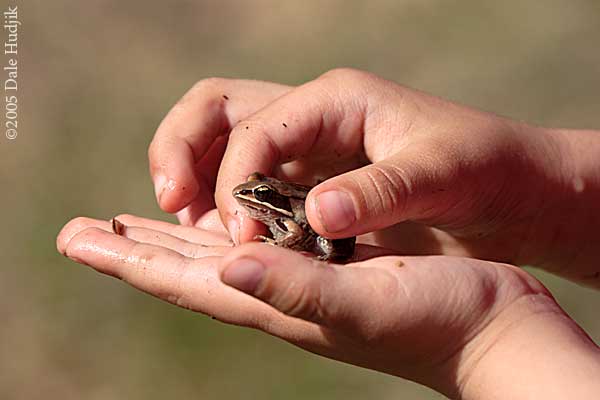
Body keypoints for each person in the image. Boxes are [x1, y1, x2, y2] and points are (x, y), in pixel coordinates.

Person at [57, 69, 600, 399]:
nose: (246, 199)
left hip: (322, 236)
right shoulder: (267, 200)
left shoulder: (283, 213)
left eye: (252, 195)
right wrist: (540, 192)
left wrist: (485, 338)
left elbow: (299, 229)